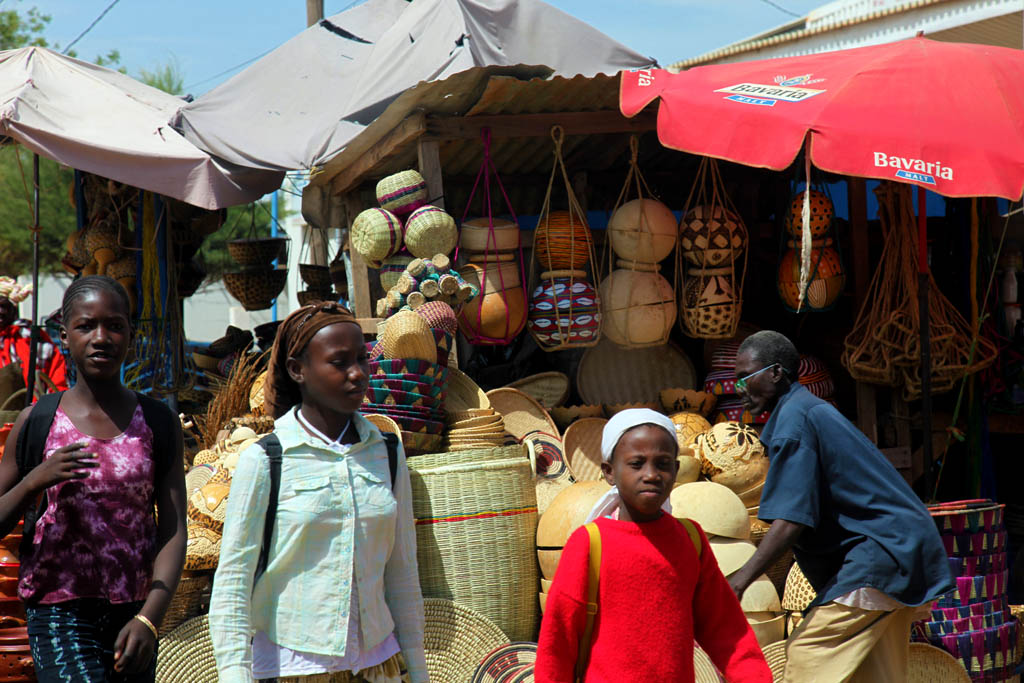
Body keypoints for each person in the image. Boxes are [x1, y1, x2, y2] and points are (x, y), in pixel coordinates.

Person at [209, 302, 427, 683]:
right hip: (294, 669)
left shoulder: (387, 454)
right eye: (339, 362)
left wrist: (419, 670)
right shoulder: (265, 461)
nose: (358, 374)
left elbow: (402, 574)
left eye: (362, 358)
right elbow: (232, 584)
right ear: (298, 370)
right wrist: (234, 674)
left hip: (378, 667)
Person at [727, 330, 953, 683]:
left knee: (807, 657)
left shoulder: (793, 423)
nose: (739, 388)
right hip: (901, 548)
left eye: (746, 376)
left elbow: (790, 522)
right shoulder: (805, 411)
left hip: (880, 555)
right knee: (874, 673)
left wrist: (739, 582)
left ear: (775, 372)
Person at [0, 275, 187, 682]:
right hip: (58, 612)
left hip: (134, 614)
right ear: (65, 335)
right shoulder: (39, 420)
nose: (101, 337)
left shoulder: (157, 422)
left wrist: (150, 619)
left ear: (130, 335)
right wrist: (35, 480)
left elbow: (173, 531)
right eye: (86, 326)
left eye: (114, 325)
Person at [535, 409, 771, 682]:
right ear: (610, 472)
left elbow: (726, 630)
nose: (651, 474)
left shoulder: (689, 540)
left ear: (676, 469)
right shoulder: (589, 544)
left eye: (662, 463)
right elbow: (558, 643)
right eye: (636, 463)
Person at [0, 276, 68, 394]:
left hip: (33, 407)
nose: (0, 311)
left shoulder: (30, 336)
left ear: (13, 309)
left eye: (4, 306)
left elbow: (56, 376)